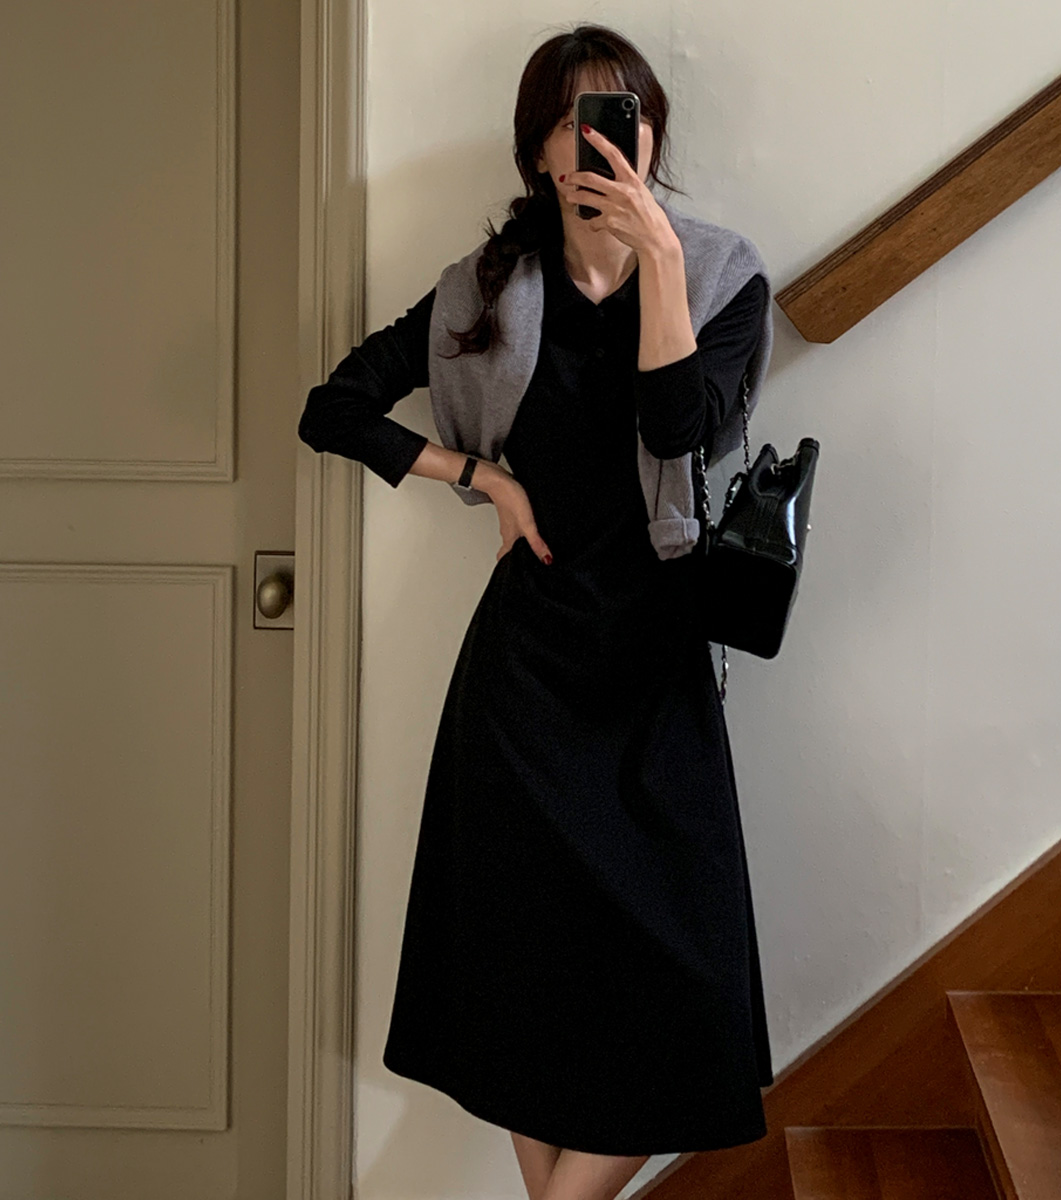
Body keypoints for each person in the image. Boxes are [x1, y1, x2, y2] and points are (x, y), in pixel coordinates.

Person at [298, 23, 774, 1200]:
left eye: (621, 115)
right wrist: (483, 479)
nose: (597, 140)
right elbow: (334, 409)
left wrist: (656, 261)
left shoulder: (721, 278)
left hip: (656, 667)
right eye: (571, 120)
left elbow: (679, 428)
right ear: (538, 152)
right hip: (524, 678)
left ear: (651, 138)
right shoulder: (484, 291)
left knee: (685, 981)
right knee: (516, 976)